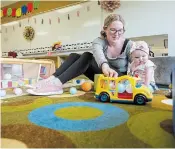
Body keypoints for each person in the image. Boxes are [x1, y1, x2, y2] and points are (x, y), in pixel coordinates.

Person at [27, 14, 133, 95]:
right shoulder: (98, 41)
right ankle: (51, 81)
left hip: (120, 80)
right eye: (113, 30)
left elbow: (138, 63)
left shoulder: (129, 44)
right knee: (75, 55)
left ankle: (57, 84)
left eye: (120, 30)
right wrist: (105, 66)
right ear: (105, 29)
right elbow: (99, 55)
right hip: (103, 76)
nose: (117, 34)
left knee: (87, 56)